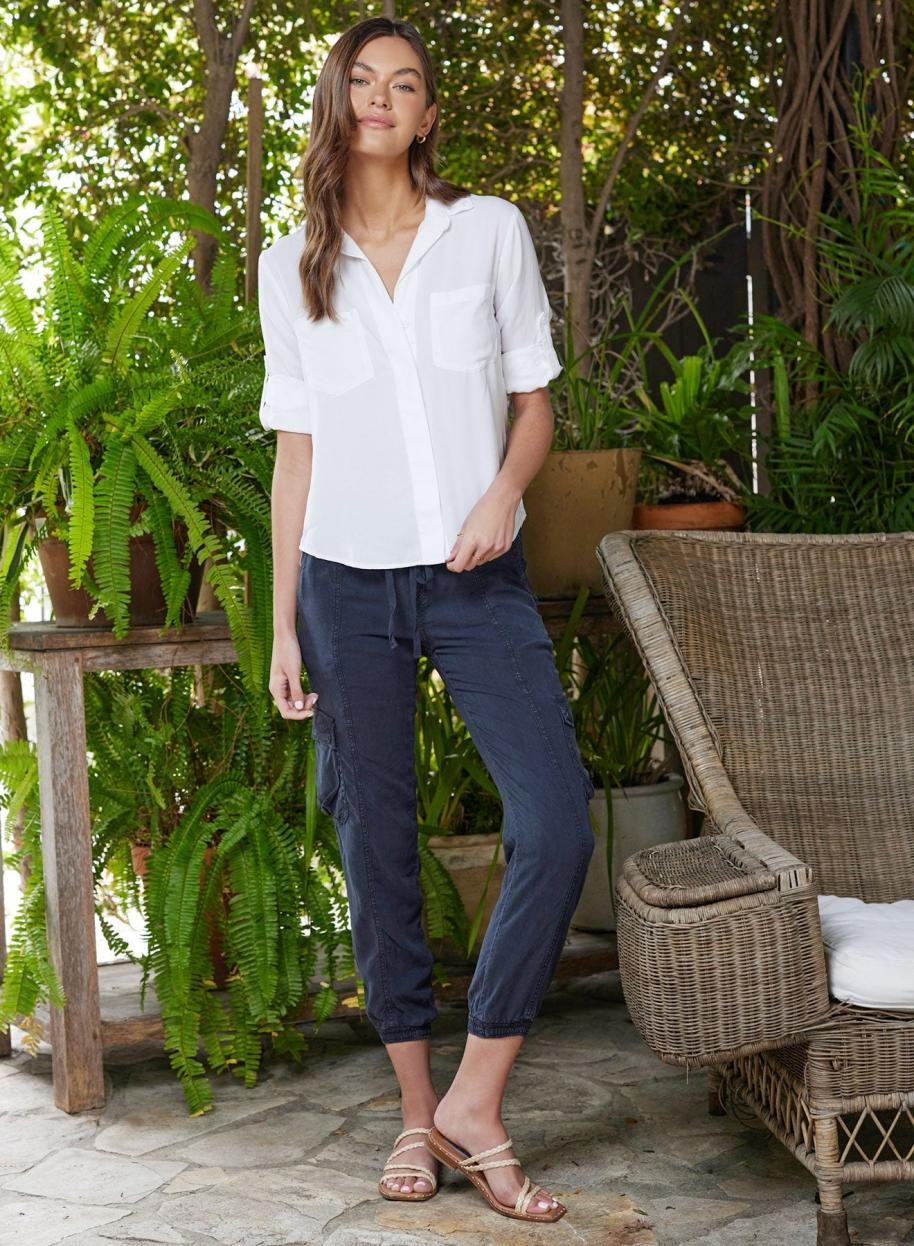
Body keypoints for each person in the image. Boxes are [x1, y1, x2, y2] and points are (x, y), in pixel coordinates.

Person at [258, 15, 595, 1226]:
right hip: (344, 585)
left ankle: (473, 1099)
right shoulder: (290, 263)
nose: (382, 97)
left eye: (404, 83)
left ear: (428, 114)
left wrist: (502, 497)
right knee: (375, 841)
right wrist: (283, 624)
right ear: (336, 101)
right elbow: (295, 457)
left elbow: (533, 404)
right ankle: (416, 1111)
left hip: (474, 576)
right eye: (362, 79)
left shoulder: (485, 231)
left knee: (555, 820)